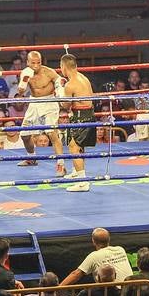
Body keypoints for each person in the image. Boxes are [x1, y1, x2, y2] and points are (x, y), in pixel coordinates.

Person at [16, 51, 65, 173]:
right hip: (34, 103)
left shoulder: (48, 72)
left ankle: (61, 164)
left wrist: (59, 89)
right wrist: (23, 84)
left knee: (52, 133)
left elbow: (59, 80)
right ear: (27, 62)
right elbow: (21, 92)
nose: (36, 65)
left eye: (39, 62)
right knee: (25, 135)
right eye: (33, 63)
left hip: (49, 102)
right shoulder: (26, 73)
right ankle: (31, 158)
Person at [58, 53, 95, 192]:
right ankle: (76, 170)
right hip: (88, 114)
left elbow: (65, 106)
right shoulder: (83, 78)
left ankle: (83, 182)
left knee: (74, 147)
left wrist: (60, 91)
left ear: (63, 67)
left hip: (81, 117)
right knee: (79, 145)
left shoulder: (70, 85)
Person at [59, 227, 131, 285]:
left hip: (113, 293)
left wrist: (58, 289)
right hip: (131, 290)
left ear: (93, 241)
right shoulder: (120, 249)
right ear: (109, 239)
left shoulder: (94, 256)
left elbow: (76, 274)